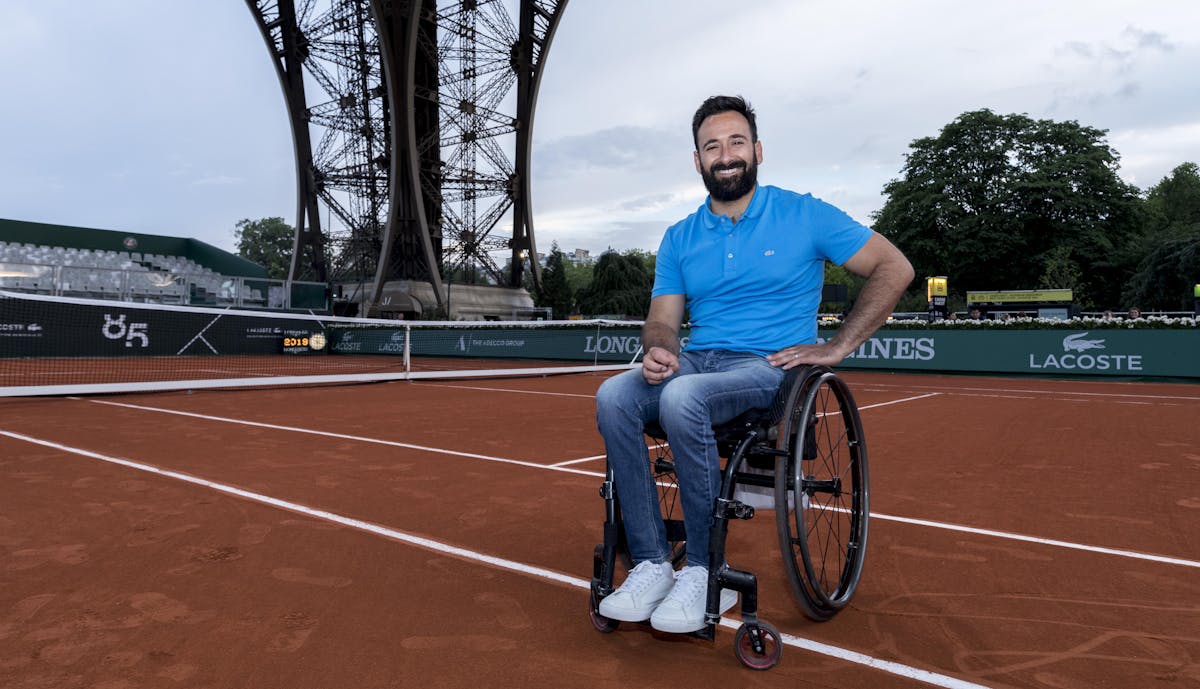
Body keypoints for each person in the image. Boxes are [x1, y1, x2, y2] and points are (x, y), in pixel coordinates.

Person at [594, 95, 913, 633]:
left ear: (758, 150)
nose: (725, 155)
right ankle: (651, 563)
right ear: (697, 161)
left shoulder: (803, 213)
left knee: (681, 396)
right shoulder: (679, 236)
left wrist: (836, 347)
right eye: (711, 146)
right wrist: (658, 348)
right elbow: (662, 319)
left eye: (736, 142)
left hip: (768, 369)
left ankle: (702, 568)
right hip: (697, 361)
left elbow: (894, 267)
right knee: (614, 395)